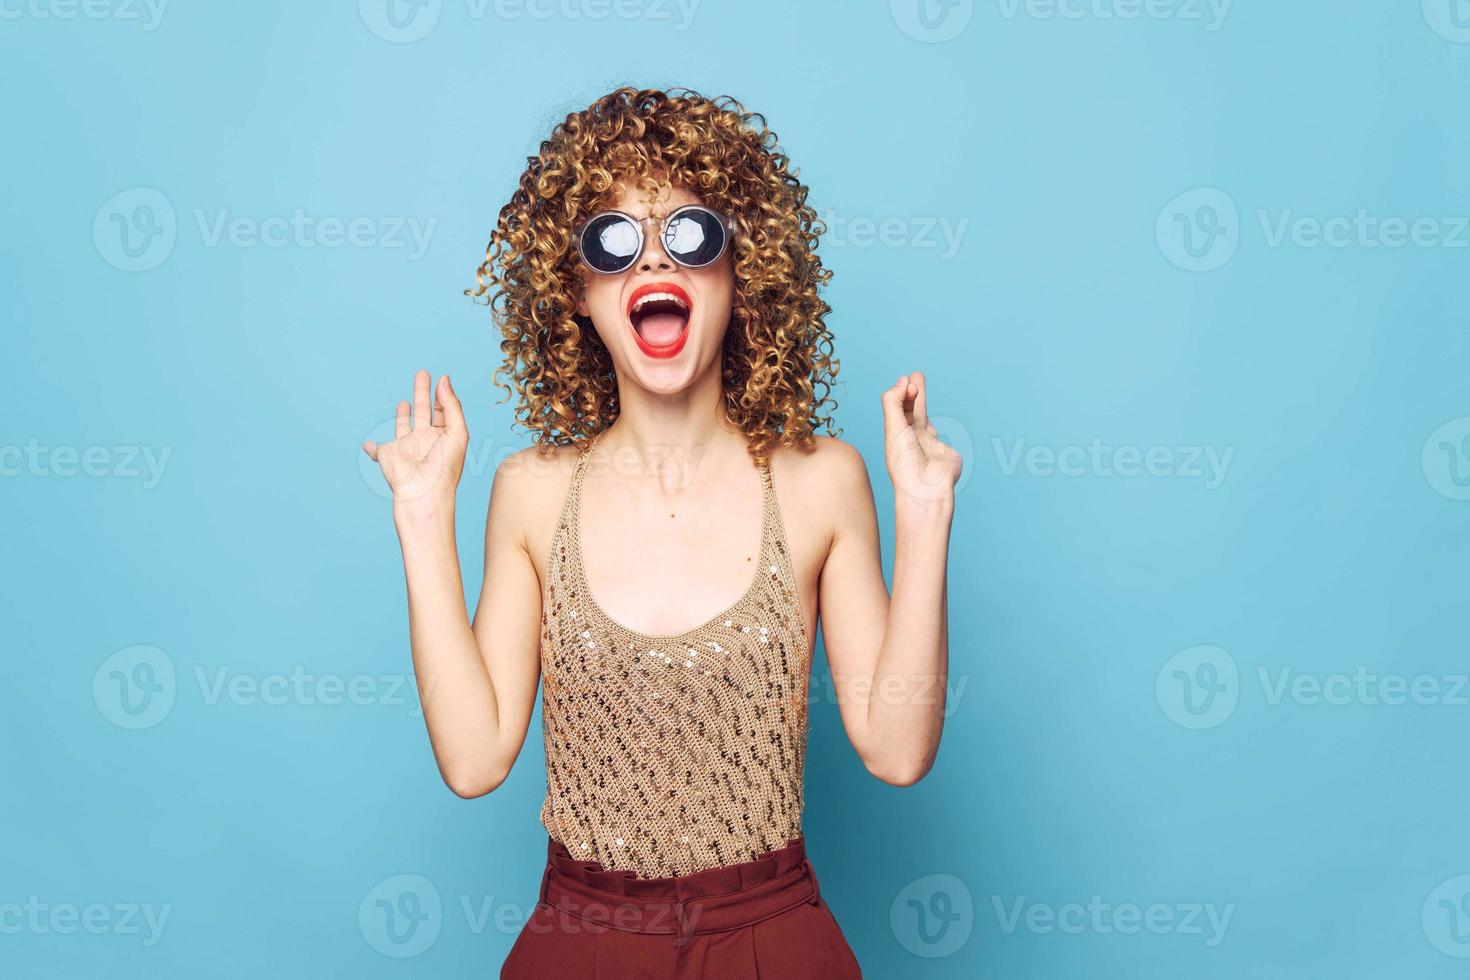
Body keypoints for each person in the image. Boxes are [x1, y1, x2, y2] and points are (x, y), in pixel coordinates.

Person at [362, 86, 961, 979]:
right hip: (583, 938)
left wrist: (924, 510)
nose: (654, 263)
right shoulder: (531, 493)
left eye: (691, 233)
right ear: (577, 292)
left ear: (739, 269)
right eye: (613, 242)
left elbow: (899, 750)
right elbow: (474, 757)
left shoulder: (820, 481)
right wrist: (419, 515)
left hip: (773, 936)